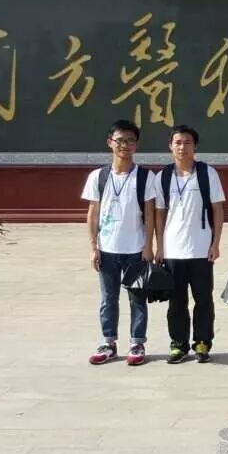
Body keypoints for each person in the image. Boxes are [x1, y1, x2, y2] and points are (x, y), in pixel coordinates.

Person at [83, 120, 157, 366]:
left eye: (130, 140)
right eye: (120, 140)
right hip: (107, 249)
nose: (125, 145)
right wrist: (93, 247)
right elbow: (93, 214)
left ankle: (137, 342)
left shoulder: (145, 177)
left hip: (135, 248)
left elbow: (150, 214)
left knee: (137, 298)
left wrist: (148, 246)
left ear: (137, 145)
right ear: (110, 143)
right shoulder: (98, 176)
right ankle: (109, 343)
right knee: (108, 299)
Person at [153, 125, 226, 364]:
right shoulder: (163, 176)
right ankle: (178, 345)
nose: (182, 147)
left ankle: (202, 343)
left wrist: (216, 243)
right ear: (170, 146)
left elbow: (218, 209)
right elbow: (159, 213)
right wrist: (159, 246)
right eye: (178, 142)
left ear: (195, 146)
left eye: (187, 142)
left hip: (201, 249)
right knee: (176, 302)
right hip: (172, 250)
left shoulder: (207, 173)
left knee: (203, 299)